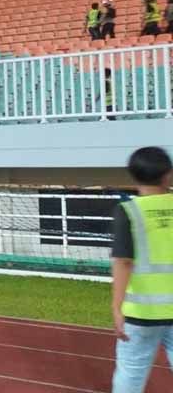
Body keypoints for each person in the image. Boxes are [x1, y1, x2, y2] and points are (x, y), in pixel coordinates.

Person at [110, 146, 173, 393]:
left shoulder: (129, 211)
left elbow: (124, 262)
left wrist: (117, 308)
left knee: (131, 372)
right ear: (168, 174)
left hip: (142, 312)